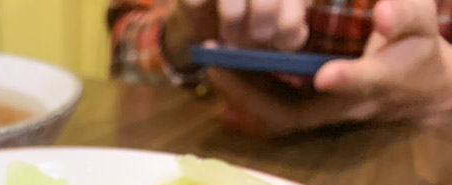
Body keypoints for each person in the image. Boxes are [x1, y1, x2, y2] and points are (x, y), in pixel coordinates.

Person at [108, 0, 452, 134]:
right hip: (225, 142)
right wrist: (184, 28)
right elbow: (126, 50)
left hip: (409, 171)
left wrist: (441, 92)